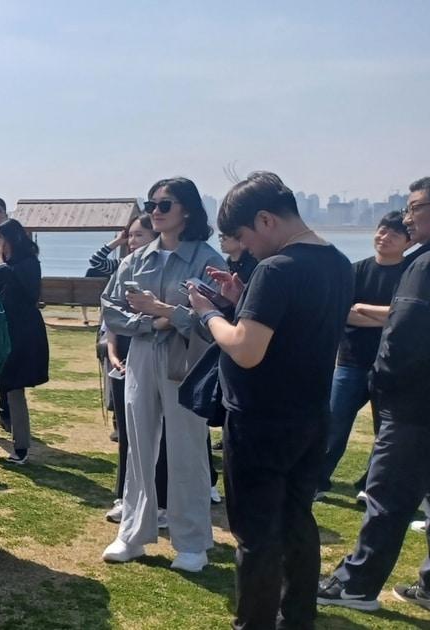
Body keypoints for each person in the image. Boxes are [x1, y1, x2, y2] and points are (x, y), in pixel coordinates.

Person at [192, 172, 351, 627]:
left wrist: (208, 316)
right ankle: (297, 618)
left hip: (261, 422)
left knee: (256, 536)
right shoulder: (338, 262)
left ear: (264, 220)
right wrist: (243, 302)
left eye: (242, 237)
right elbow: (296, 326)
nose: (244, 248)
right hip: (311, 415)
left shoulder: (277, 268)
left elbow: (246, 349)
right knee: (298, 522)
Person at [318, 172, 430, 618]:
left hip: (416, 406)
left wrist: (382, 381)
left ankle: (355, 583)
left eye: (416, 208)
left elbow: (406, 334)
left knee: (387, 497)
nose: (408, 217)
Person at [100, 177, 225, 573]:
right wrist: (156, 321)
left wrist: (169, 313)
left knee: (187, 449)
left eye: (164, 204)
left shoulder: (207, 259)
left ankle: (192, 542)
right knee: (138, 447)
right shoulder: (136, 259)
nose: (155, 210)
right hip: (141, 357)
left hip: (185, 363)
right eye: (150, 203)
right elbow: (111, 309)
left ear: (186, 210)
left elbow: (213, 319)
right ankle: (133, 533)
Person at [316, 212, 411, 498]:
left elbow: (409, 315)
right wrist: (388, 314)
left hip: (392, 362)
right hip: (350, 361)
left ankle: (370, 486)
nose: (385, 237)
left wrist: (362, 309)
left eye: (394, 234)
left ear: (407, 242)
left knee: (385, 432)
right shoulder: (354, 271)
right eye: (382, 231)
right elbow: (341, 313)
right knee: (334, 423)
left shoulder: (411, 274)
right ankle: (318, 480)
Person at [103, 214, 164, 523]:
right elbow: (110, 320)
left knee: (160, 436)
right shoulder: (123, 268)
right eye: (130, 236)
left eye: (139, 235)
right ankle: (125, 499)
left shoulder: (161, 274)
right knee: (128, 435)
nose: (132, 241)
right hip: (123, 358)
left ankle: (161, 502)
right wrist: (112, 355)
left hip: (153, 353)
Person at [0, 219, 49, 465]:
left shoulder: (27, 263)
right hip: (3, 331)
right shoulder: (10, 263)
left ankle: (21, 448)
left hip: (21, 333)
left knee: (13, 389)